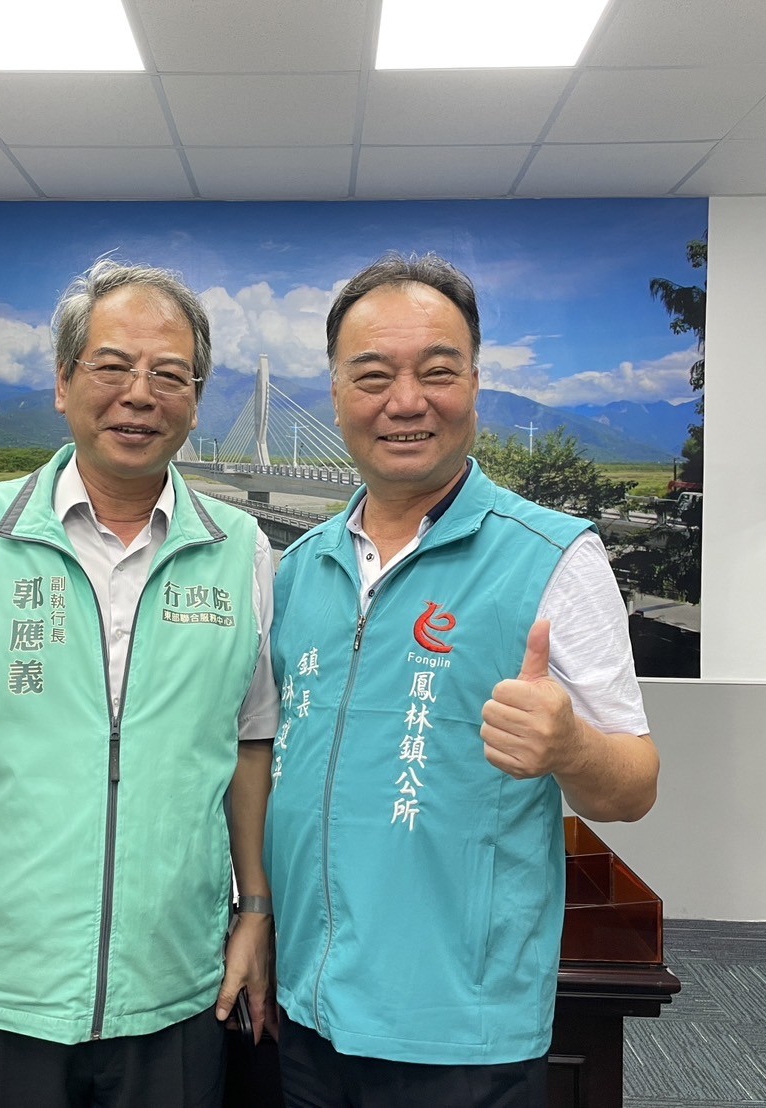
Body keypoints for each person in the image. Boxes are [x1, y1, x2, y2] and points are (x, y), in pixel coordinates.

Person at [0, 258, 278, 1108]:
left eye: (169, 375)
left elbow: (249, 743)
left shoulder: (240, 550)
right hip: (1, 980)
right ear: (62, 383)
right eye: (112, 366)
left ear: (196, 400)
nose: (140, 395)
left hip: (174, 980)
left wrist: (255, 907)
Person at [264, 254, 659, 1107]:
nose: (405, 401)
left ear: (475, 383)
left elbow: (632, 787)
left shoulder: (552, 556)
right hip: (306, 1009)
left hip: (456, 1031)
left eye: (437, 372)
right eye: (372, 376)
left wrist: (568, 746)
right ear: (335, 393)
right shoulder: (301, 567)